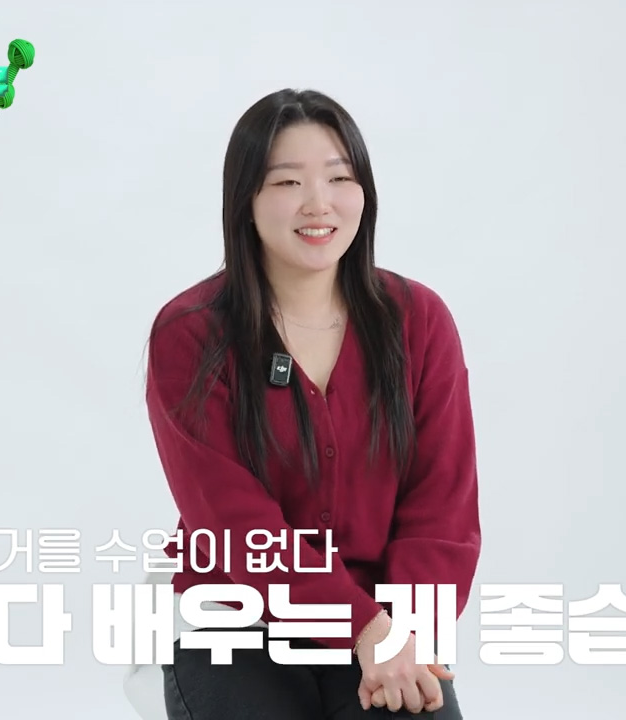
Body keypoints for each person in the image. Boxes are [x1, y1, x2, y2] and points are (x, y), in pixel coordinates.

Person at [142, 88, 482, 719]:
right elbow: (235, 525)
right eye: (287, 182)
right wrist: (362, 629)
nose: (318, 203)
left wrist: (401, 637)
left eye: (339, 178)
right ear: (245, 200)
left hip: (386, 624)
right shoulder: (191, 333)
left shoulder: (420, 321)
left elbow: (442, 510)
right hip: (234, 621)